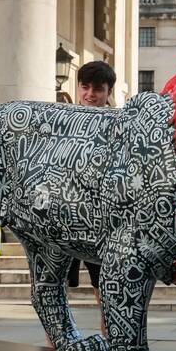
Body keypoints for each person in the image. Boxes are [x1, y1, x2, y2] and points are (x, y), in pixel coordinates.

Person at [64, 61, 115, 332]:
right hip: (65, 217)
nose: (90, 94)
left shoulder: (119, 124)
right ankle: (58, 344)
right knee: (57, 282)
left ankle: (110, 339)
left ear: (108, 92)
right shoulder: (66, 120)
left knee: (105, 284)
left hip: (101, 222)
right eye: (85, 87)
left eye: (98, 89)